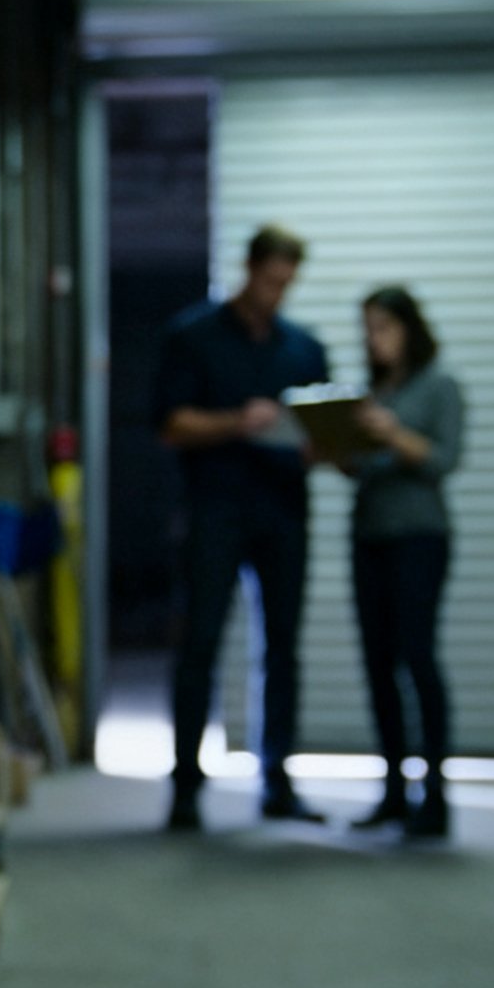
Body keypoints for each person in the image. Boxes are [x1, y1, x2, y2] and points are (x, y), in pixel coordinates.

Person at [152, 224, 330, 831]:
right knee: (199, 645)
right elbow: (171, 425)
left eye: (287, 284)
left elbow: (324, 430)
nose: (278, 293)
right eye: (271, 281)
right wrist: (238, 421)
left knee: (282, 649)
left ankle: (278, 783)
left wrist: (324, 444)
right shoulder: (193, 336)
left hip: (284, 511)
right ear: (249, 270)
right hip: (215, 510)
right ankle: (185, 789)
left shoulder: (304, 348)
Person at [343, 285, 465, 839]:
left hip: (420, 536)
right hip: (369, 535)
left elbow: (444, 458)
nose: (374, 339)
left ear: (409, 328)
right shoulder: (369, 392)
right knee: (378, 665)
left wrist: (391, 433)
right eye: (368, 329)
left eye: (383, 327)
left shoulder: (438, 386)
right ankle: (392, 791)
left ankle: (434, 795)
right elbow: (358, 467)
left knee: (418, 656)